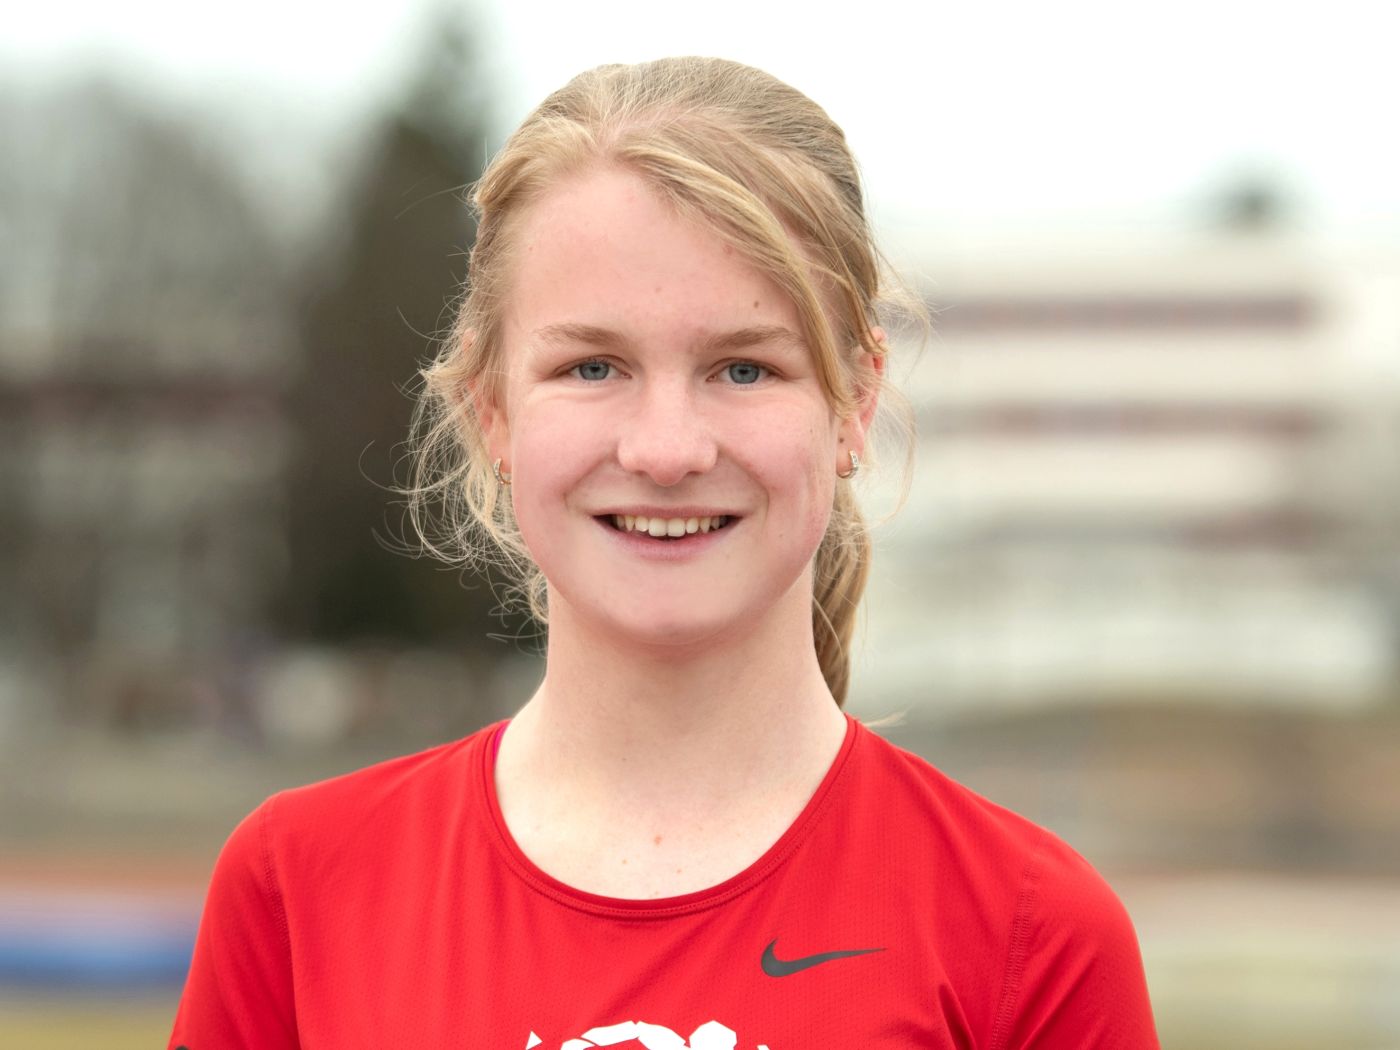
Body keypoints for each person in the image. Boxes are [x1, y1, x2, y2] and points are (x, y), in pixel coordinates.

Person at [169, 57, 1160, 1049]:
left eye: (743, 368)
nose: (666, 450)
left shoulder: (1028, 934)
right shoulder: (298, 889)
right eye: (592, 366)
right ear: (491, 408)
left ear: (854, 401)